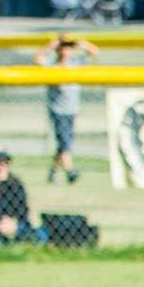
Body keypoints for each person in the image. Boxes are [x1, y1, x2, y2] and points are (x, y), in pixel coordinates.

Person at [34, 34, 98, 185]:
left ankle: (53, 171)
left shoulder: (75, 63)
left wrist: (78, 43)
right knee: (65, 142)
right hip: (58, 109)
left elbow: (95, 52)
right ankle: (70, 172)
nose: (65, 51)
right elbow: (37, 59)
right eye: (62, 48)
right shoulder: (52, 64)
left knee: (64, 143)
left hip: (72, 109)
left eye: (67, 48)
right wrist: (51, 44)